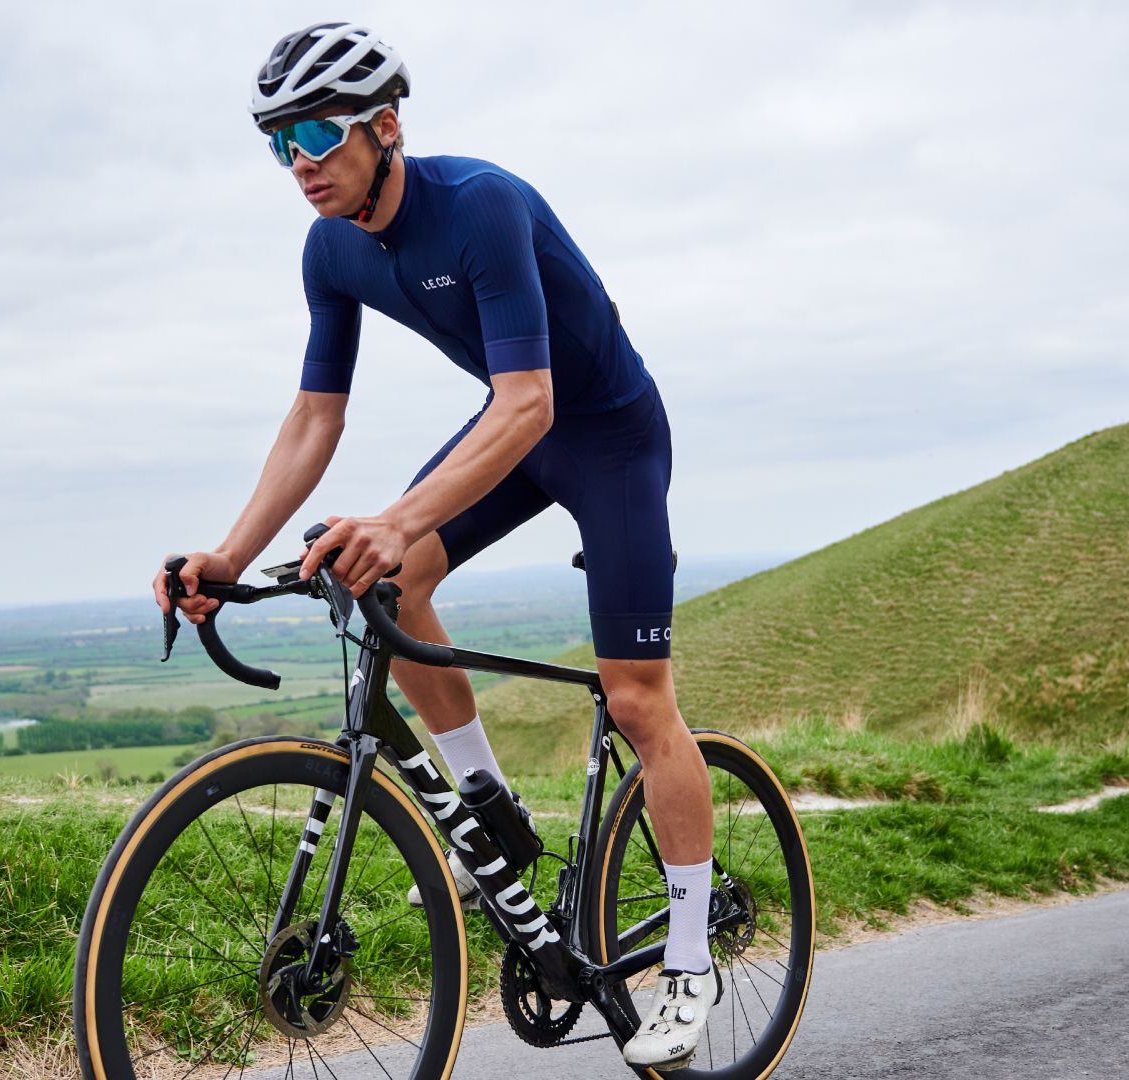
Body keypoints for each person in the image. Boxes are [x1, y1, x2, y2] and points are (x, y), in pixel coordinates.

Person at [152, 22, 717, 1071]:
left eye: (318, 132)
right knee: (394, 578)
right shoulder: (329, 249)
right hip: (515, 431)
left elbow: (534, 402)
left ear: (386, 125)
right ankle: (491, 809)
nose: (301, 163)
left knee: (638, 700)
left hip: (605, 437)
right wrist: (230, 556)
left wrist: (400, 517)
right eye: (280, 144)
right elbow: (315, 419)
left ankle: (690, 959)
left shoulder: (481, 209)